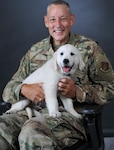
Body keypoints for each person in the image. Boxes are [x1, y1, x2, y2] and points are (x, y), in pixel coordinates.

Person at [1, 0, 114, 149]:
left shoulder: (89, 48)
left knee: (32, 131)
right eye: (53, 19)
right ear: (46, 22)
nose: (58, 25)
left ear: (71, 20)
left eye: (63, 18)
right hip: (31, 111)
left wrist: (78, 92)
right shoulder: (35, 51)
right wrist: (23, 89)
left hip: (69, 118)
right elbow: (8, 90)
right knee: (2, 127)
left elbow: (110, 88)